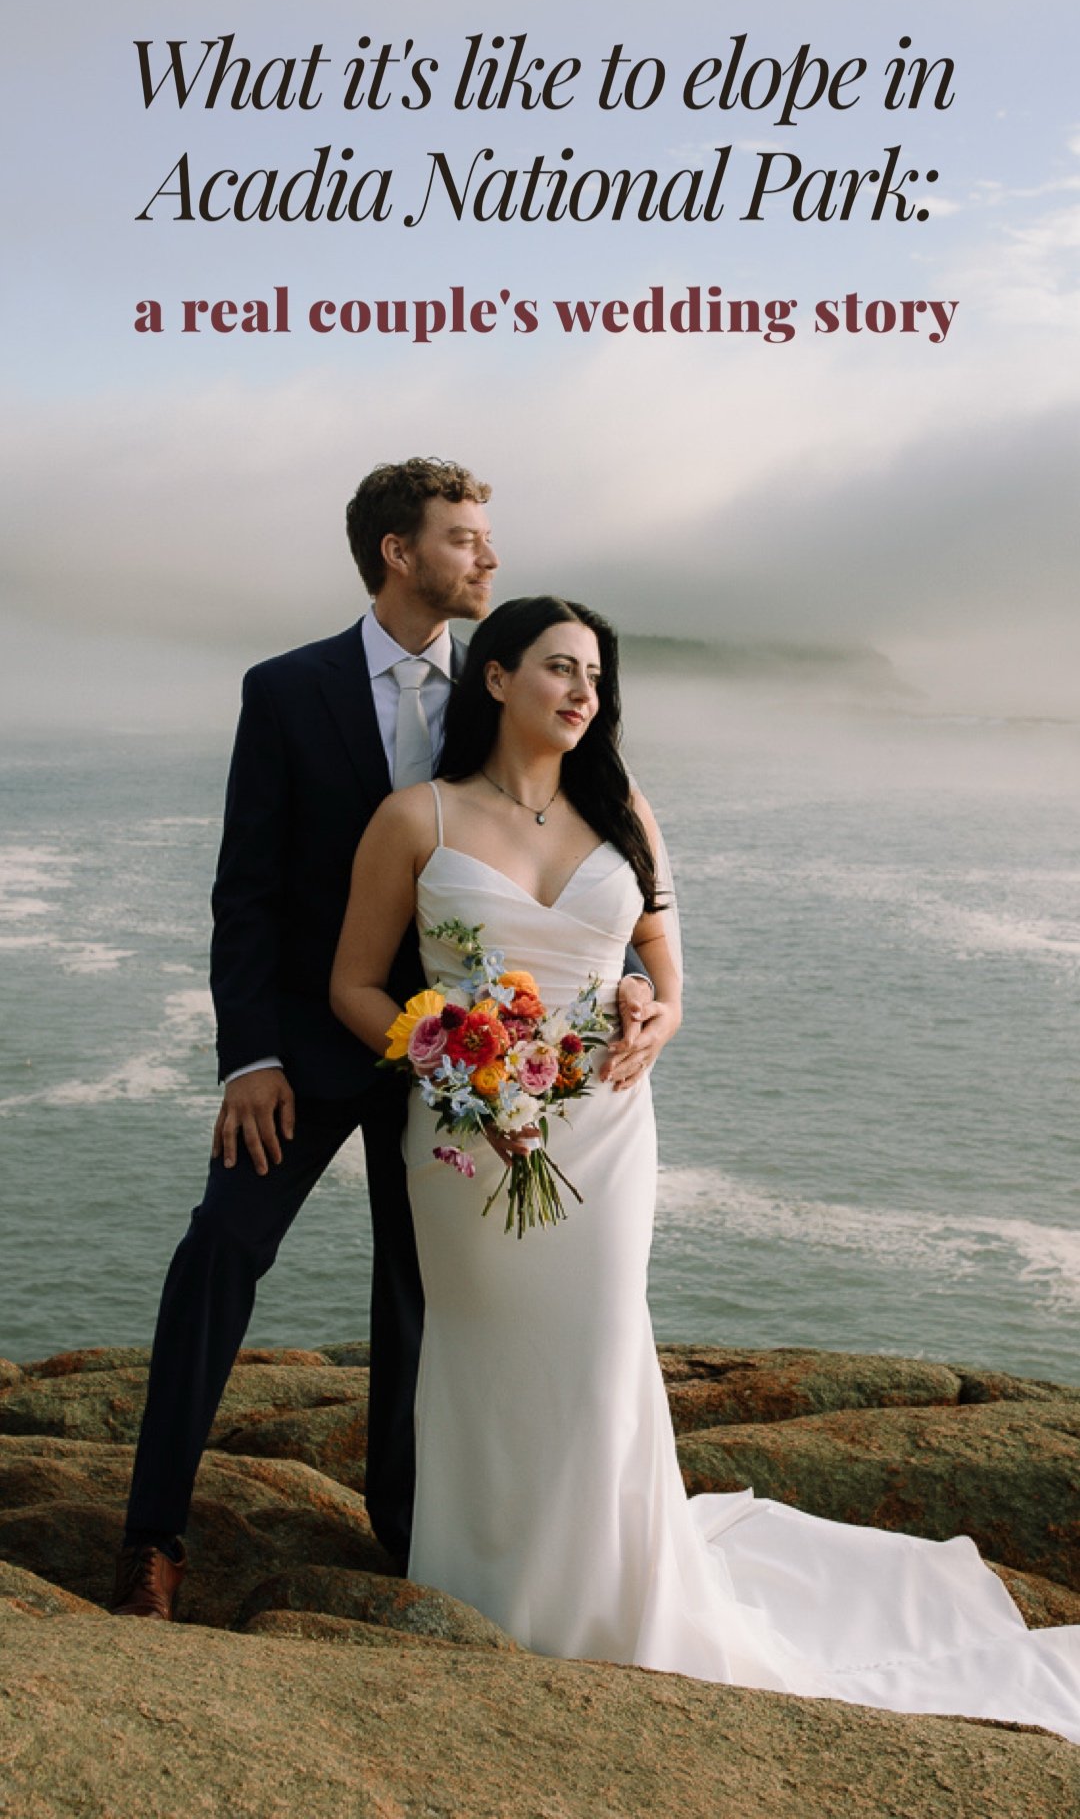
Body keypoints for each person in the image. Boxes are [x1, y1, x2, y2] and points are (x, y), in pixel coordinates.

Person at [329, 593, 1080, 1743]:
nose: (582, 692)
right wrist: (444, 1059)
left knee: (596, 1350)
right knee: (482, 1357)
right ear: (494, 678)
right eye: (558, 669)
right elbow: (355, 985)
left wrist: (648, 1015)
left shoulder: (622, 807)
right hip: (471, 1139)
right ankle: (489, 1586)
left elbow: (669, 984)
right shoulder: (414, 819)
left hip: (606, 1127)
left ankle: (616, 1596)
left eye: (595, 676)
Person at [110, 461, 659, 1622]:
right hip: (319, 1038)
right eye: (466, 539)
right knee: (221, 1250)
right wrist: (249, 1056)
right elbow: (245, 889)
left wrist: (617, 994)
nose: (489, 558)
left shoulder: (504, 688)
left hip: (484, 1067)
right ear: (399, 552)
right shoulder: (287, 690)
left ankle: (416, 1538)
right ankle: (152, 1538)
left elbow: (576, 859)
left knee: (424, 1300)